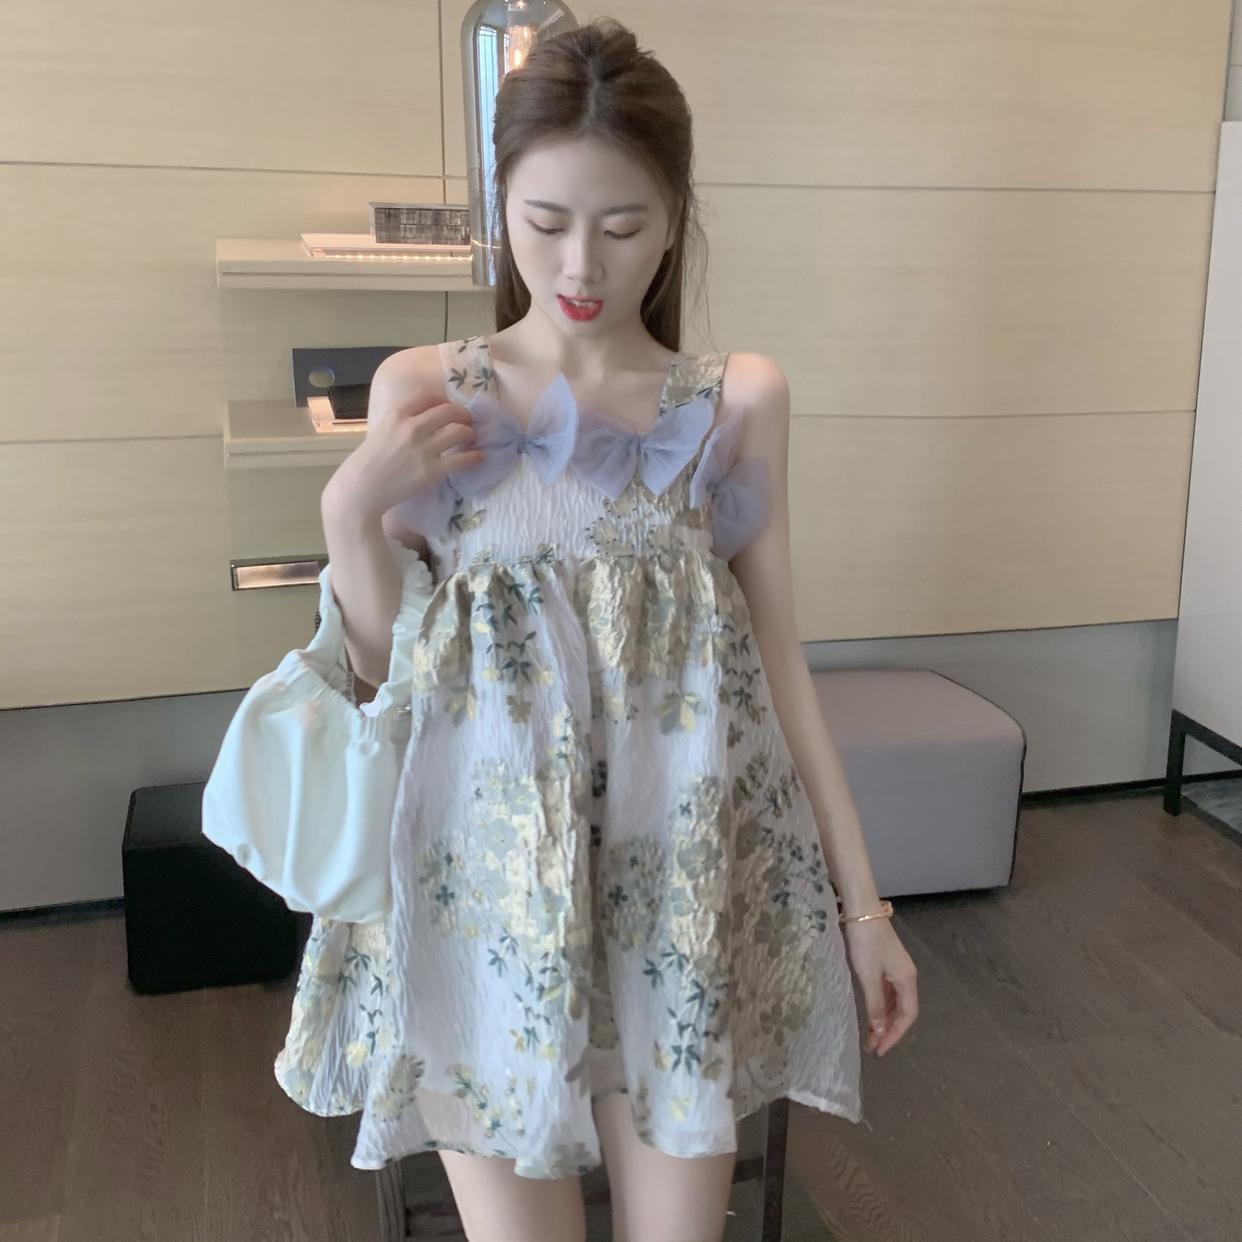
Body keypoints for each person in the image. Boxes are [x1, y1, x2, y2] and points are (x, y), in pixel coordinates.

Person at [276, 17, 918, 1242]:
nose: (580, 264)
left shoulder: (732, 401)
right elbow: (377, 677)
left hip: (677, 894)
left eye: (621, 228)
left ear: (674, 221)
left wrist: (865, 910)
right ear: (501, 210)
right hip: (482, 901)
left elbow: (780, 661)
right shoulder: (428, 390)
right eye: (544, 222)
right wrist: (347, 508)